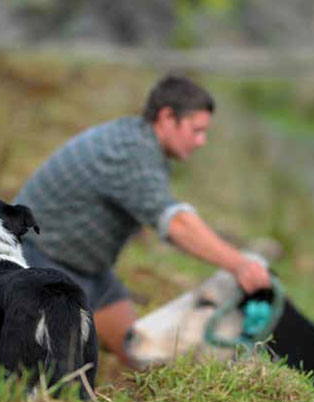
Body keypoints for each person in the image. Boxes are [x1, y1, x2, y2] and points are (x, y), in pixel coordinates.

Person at [14, 75, 271, 365]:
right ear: (166, 117)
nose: (202, 141)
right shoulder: (130, 151)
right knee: (58, 379)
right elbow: (176, 223)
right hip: (38, 262)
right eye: (196, 130)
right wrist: (240, 264)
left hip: (91, 272)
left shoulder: (140, 142)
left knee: (141, 359)